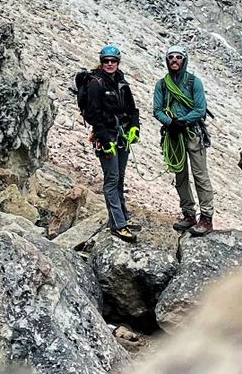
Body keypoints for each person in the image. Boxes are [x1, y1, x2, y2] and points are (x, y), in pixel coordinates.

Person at [81, 44, 140, 243]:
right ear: (101, 62)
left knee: (119, 177)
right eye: (106, 61)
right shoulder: (96, 84)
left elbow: (132, 109)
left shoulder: (121, 81)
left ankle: (122, 217)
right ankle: (118, 224)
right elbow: (93, 115)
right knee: (112, 178)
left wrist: (134, 127)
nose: (109, 64)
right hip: (107, 136)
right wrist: (105, 140)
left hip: (122, 134)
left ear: (118, 63)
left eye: (113, 61)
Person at [152, 44, 213, 235]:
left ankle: (206, 217)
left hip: (192, 133)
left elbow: (200, 109)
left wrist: (182, 122)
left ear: (184, 60)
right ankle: (188, 214)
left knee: (200, 175)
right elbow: (157, 109)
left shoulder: (194, 82)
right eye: (171, 57)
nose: (174, 60)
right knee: (180, 176)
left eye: (178, 57)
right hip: (173, 135)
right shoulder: (162, 85)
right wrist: (170, 123)